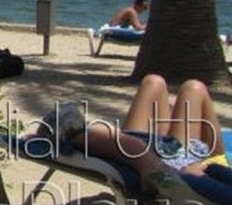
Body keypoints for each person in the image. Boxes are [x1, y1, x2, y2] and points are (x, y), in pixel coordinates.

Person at [62, 74, 227, 194]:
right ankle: (71, 130)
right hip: (166, 159)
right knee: (155, 82)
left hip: (173, 164)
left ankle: (71, 130)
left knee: (191, 87)